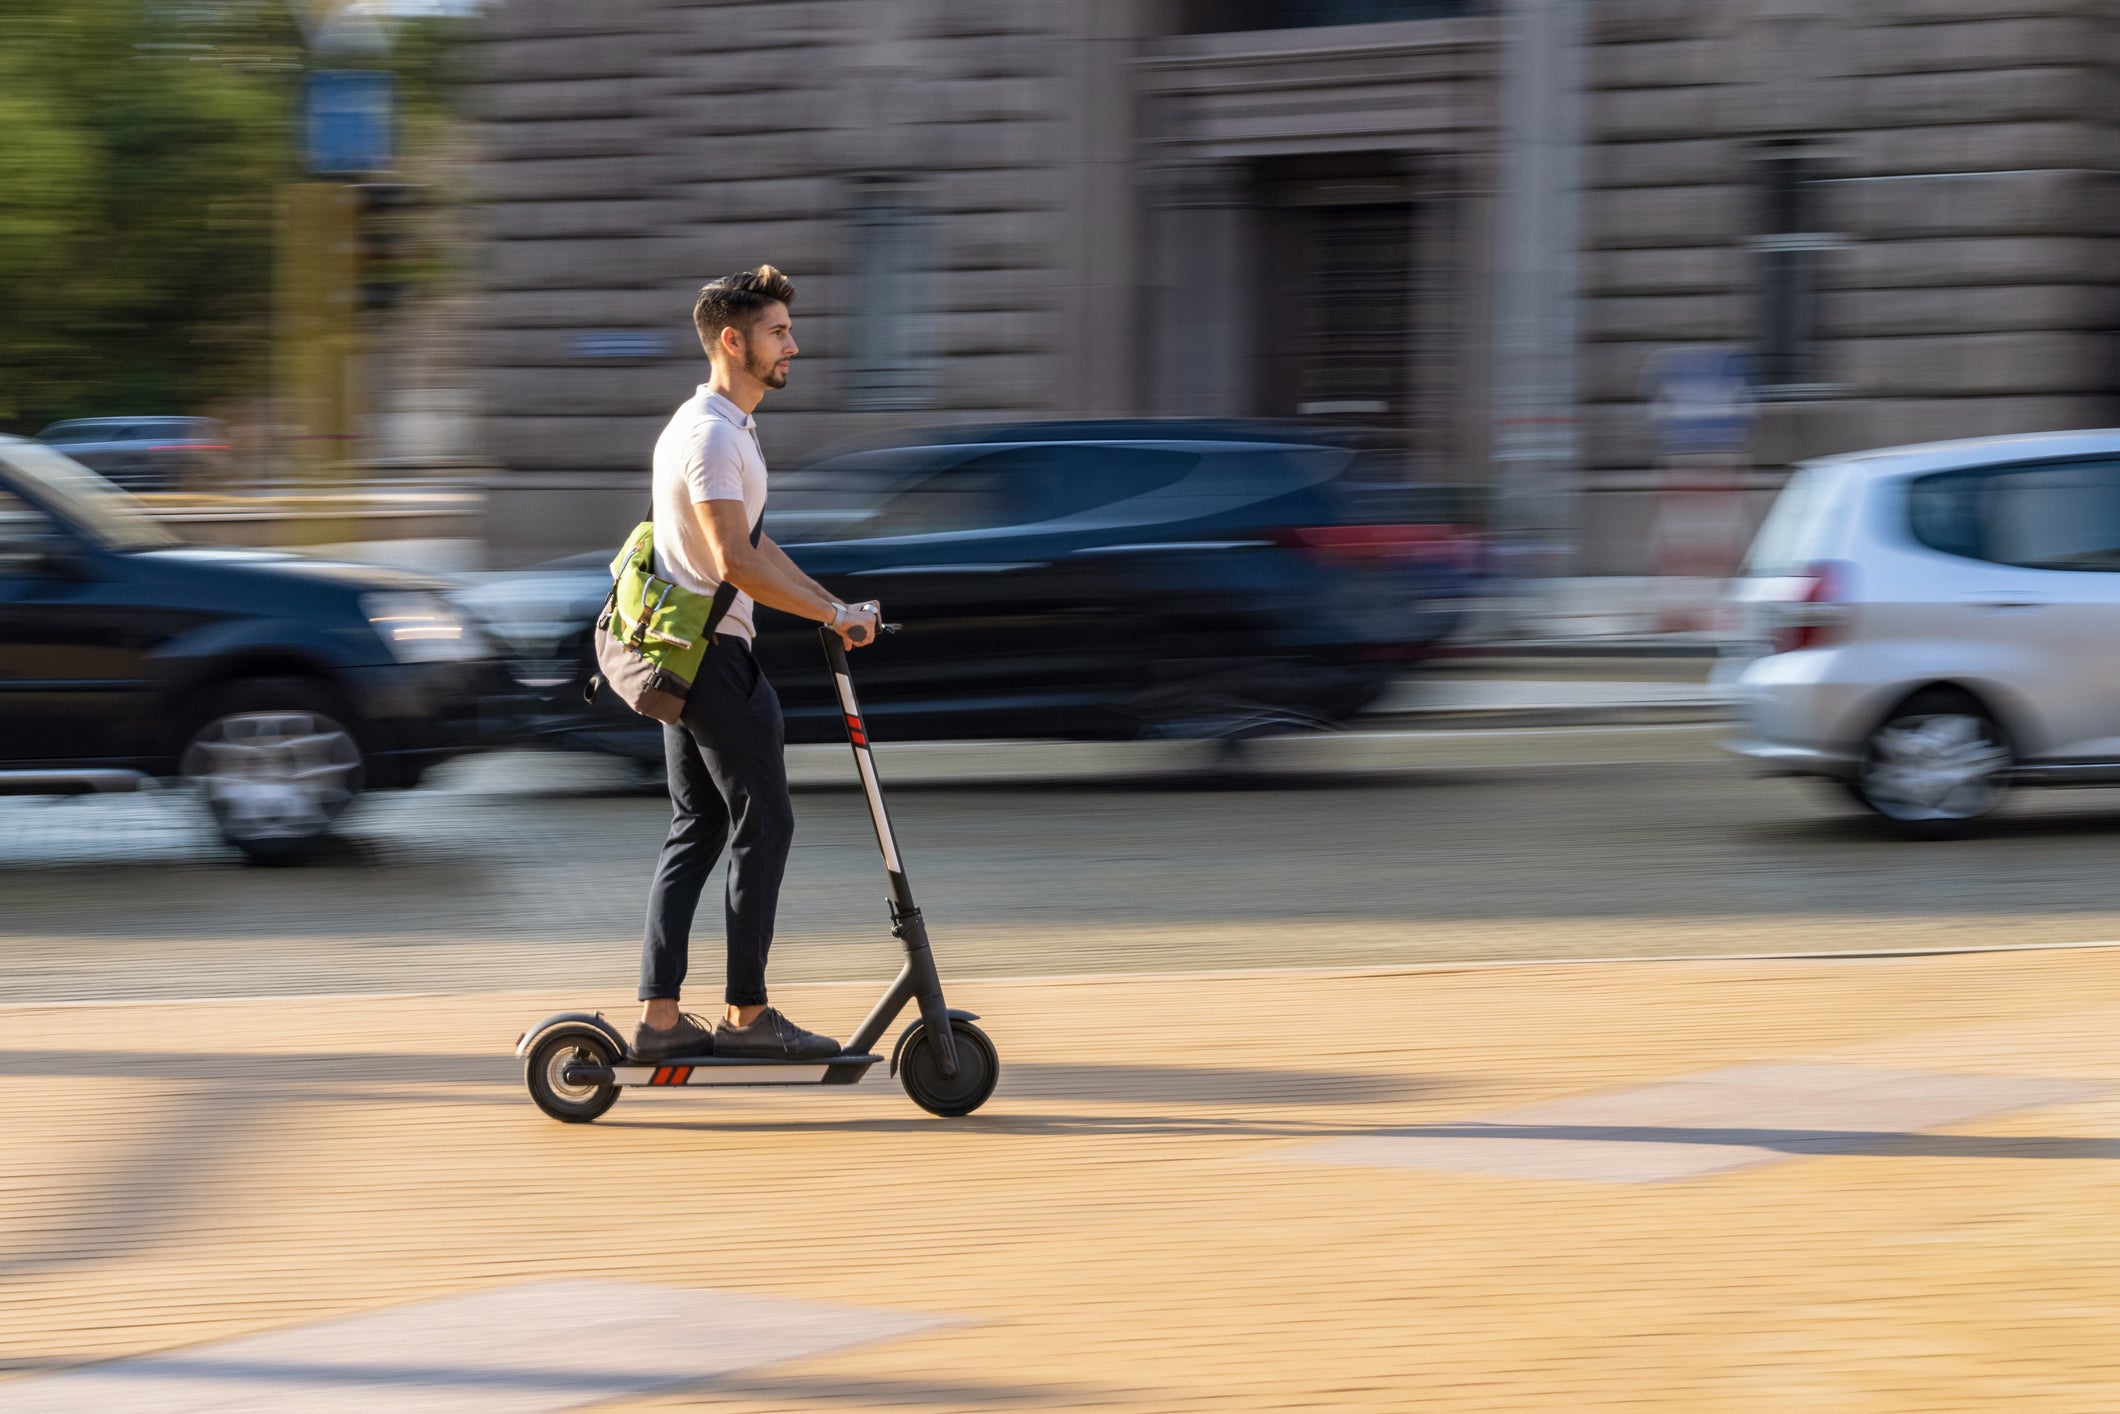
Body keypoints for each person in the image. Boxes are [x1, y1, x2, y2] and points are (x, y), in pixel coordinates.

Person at [632, 265, 880, 1063]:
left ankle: (661, 1020)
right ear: (732, 341)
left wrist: (830, 606)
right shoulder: (709, 434)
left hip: (691, 652)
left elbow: (758, 542)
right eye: (778, 333)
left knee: (699, 825)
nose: (793, 347)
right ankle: (746, 1018)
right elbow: (732, 560)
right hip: (713, 658)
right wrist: (829, 614)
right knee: (763, 822)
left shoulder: (722, 427)